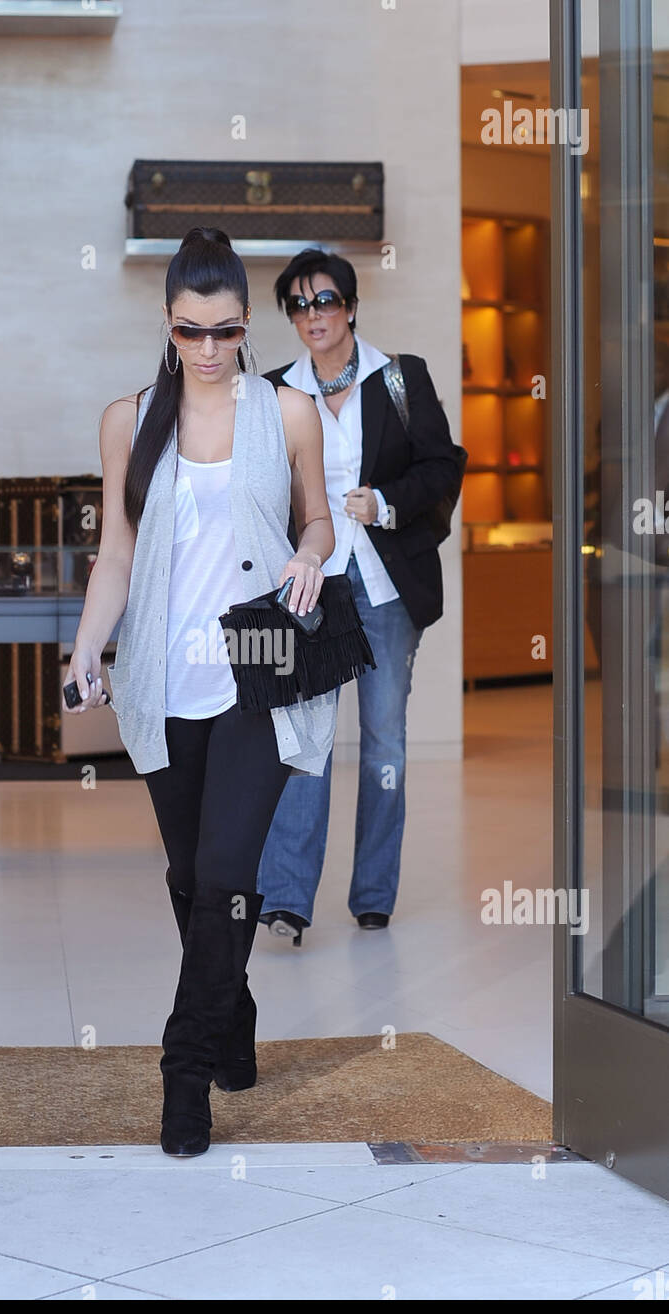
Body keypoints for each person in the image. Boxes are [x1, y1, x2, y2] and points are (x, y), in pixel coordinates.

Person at [64, 227, 337, 1156]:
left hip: (259, 665)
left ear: (250, 324)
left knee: (227, 877)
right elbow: (117, 557)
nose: (209, 351)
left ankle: (185, 1075)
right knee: (191, 881)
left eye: (226, 332)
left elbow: (320, 520)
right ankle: (237, 1007)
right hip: (164, 675)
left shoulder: (288, 411)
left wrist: (308, 554)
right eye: (191, 332)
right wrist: (88, 646)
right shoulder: (128, 418)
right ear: (168, 323)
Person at [257, 248, 465, 946]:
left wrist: (385, 503)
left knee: (385, 746)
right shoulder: (275, 391)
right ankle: (286, 898)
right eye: (298, 304)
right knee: (306, 742)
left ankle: (373, 895)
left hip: (383, 590)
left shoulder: (401, 379)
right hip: (309, 587)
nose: (312, 315)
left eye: (324, 300)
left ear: (349, 305)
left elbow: (443, 465)